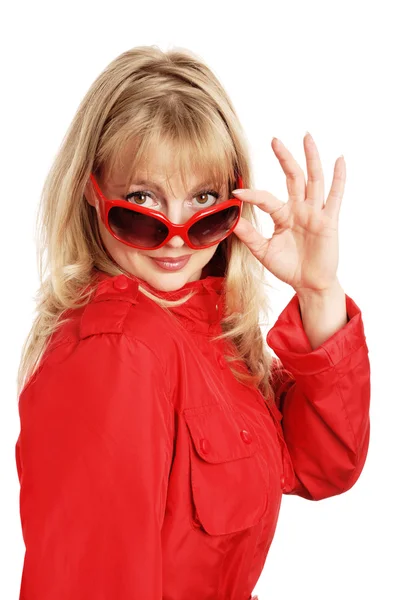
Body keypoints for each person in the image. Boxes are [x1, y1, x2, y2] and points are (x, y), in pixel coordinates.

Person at [14, 45, 371, 600]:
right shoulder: (114, 352)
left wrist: (318, 290)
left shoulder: (204, 325)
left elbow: (321, 465)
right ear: (93, 191)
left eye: (204, 199)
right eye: (141, 200)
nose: (177, 235)